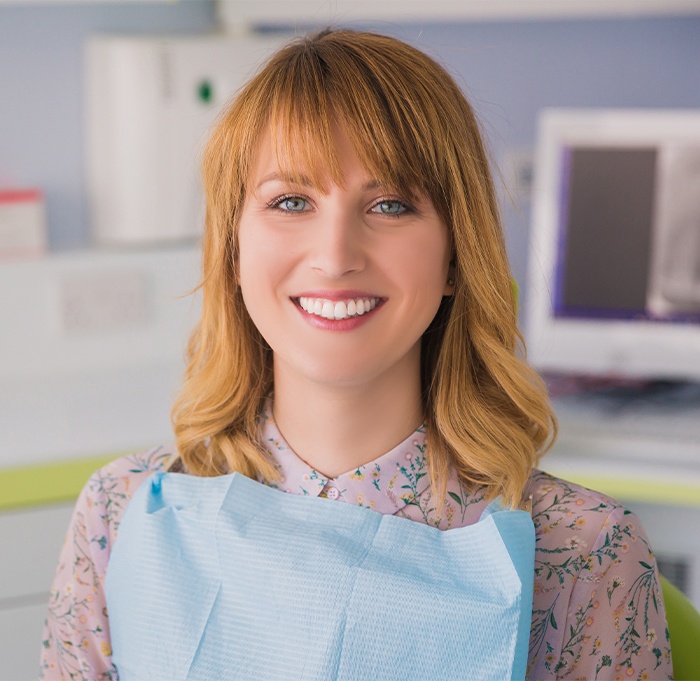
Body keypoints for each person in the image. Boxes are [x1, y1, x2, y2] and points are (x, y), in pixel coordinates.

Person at [40, 29, 672, 681]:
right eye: (291, 201)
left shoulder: (579, 549)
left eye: (390, 204)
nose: (336, 255)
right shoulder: (122, 511)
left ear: (456, 254)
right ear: (232, 250)